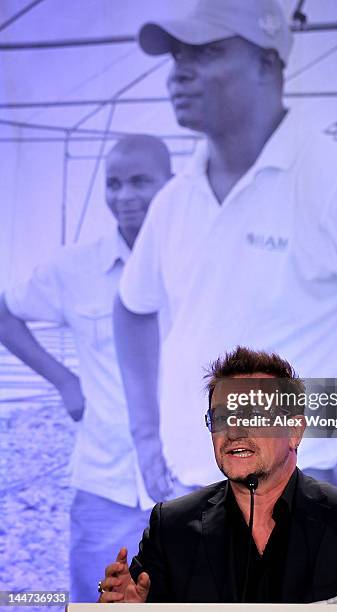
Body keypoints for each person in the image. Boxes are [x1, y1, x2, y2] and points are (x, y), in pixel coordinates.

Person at [114, 0, 337, 503]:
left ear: (267, 64)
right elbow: (130, 308)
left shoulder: (331, 178)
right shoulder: (177, 196)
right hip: (191, 492)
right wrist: (145, 437)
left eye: (206, 52)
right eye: (175, 57)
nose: (180, 73)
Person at [97, 347, 337, 610]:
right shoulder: (170, 526)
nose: (233, 431)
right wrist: (128, 608)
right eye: (221, 418)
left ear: (294, 431)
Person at [0, 134, 174, 602]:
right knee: (96, 600)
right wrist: (63, 380)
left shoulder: (201, 266)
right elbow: (5, 310)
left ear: (171, 185)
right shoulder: (76, 269)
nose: (125, 195)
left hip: (192, 485)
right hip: (106, 483)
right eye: (114, 184)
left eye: (141, 181)